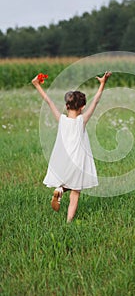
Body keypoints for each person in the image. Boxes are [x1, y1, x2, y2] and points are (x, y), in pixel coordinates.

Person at [32, 71, 112, 222]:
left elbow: (49, 101)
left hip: (62, 159)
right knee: (76, 191)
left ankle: (60, 189)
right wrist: (102, 83)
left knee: (67, 182)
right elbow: (95, 102)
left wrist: (36, 84)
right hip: (78, 161)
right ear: (82, 106)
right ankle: (68, 221)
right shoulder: (82, 120)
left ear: (66, 105)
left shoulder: (61, 119)